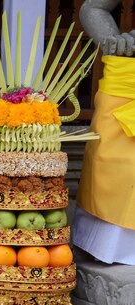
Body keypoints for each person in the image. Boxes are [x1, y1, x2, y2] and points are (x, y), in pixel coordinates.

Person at [74, 0, 135, 265]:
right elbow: (93, 8)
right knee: (117, 162)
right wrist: (114, 41)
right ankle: (112, 247)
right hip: (129, 74)